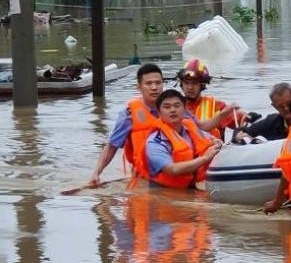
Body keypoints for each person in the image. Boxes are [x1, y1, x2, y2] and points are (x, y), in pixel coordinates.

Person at [89, 63, 227, 186]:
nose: (154, 88)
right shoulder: (129, 114)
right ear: (139, 87)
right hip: (148, 178)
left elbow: (199, 131)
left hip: (184, 174)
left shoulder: (176, 107)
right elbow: (112, 147)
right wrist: (96, 173)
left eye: (158, 83)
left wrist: (215, 140)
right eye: (148, 84)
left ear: (163, 84)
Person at [146, 89, 222, 189]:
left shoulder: (191, 129)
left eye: (177, 106)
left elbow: (212, 141)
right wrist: (205, 158)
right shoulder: (155, 142)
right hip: (164, 192)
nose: (173, 110)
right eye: (167, 107)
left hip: (189, 188)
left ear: (184, 109)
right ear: (159, 113)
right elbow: (172, 169)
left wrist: (217, 143)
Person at [177, 59, 246, 139]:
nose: (190, 87)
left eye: (194, 83)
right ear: (181, 84)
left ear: (202, 85)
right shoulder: (174, 106)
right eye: (186, 83)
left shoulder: (217, 106)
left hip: (216, 149)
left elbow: (240, 120)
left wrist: (244, 117)